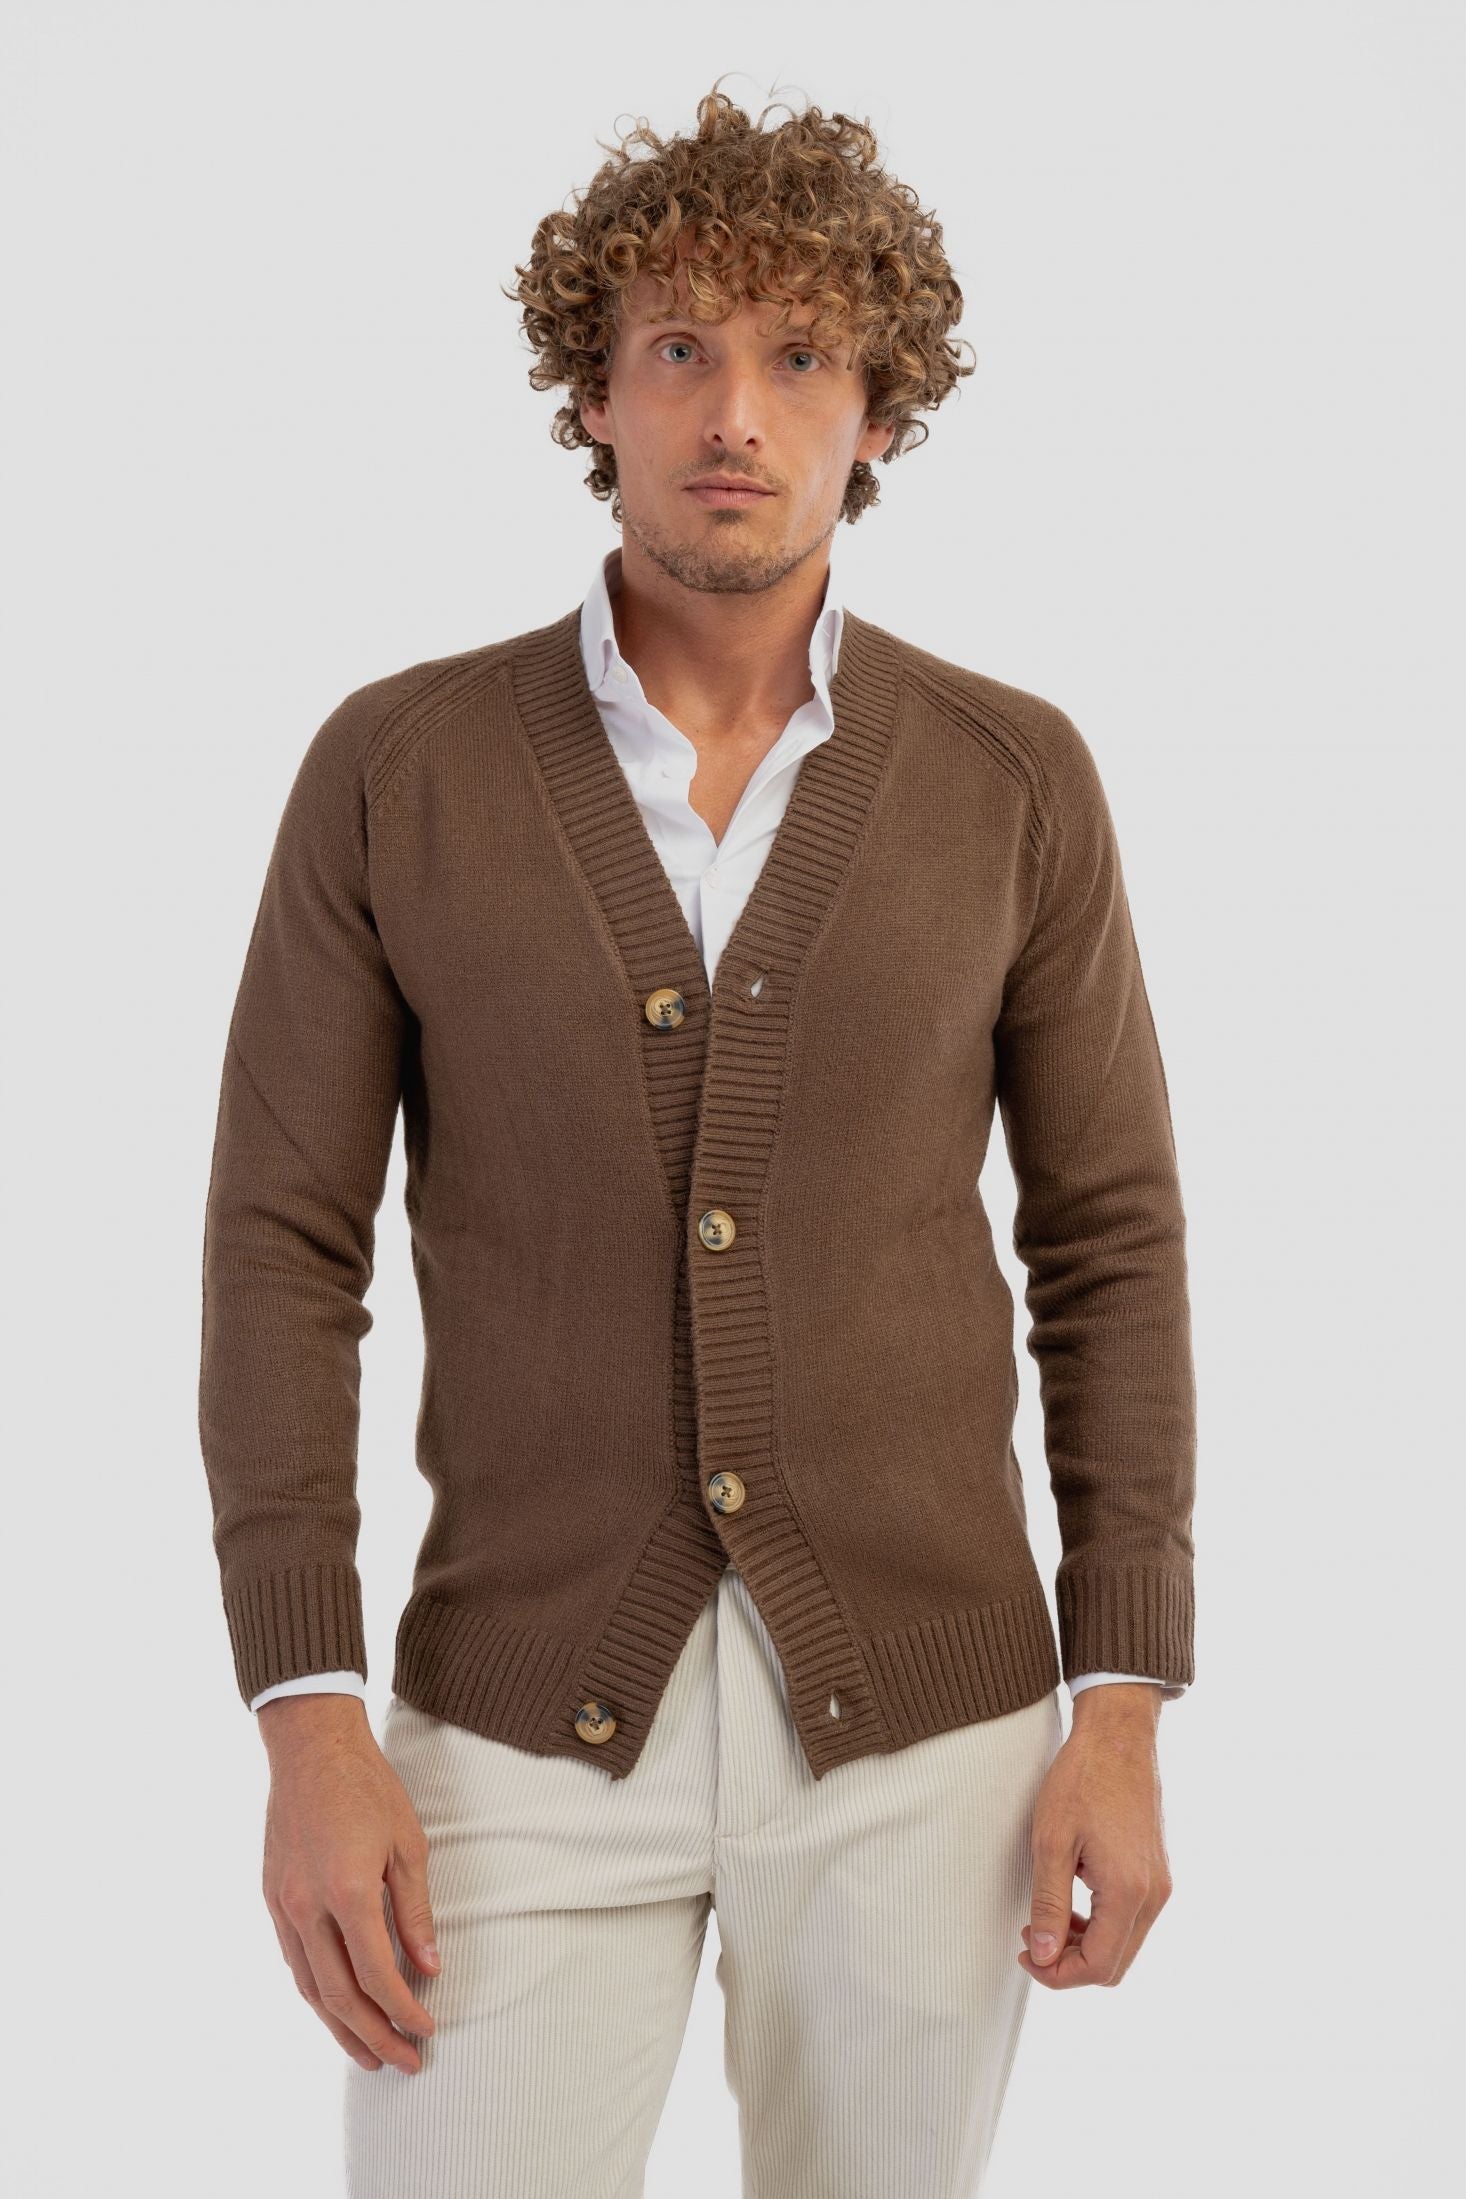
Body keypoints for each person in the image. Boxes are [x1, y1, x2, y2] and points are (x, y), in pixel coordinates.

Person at [198, 84, 1197, 2197]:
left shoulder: (1012, 776)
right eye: (678, 346)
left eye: (800, 355)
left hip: (926, 1730)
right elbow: (283, 1243)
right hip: (516, 1718)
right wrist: (306, 1711)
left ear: (878, 413)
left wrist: (1121, 1698)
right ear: (594, 392)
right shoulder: (397, 768)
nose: (735, 412)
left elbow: (1106, 1241)